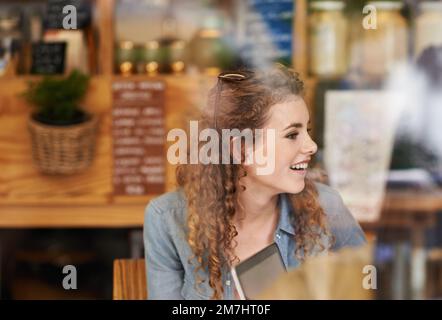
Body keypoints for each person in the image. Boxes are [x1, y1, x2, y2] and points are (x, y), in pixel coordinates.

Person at [144, 64, 366, 300]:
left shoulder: (325, 205)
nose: (311, 146)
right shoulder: (166, 219)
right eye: (292, 135)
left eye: (307, 131)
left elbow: (373, 284)